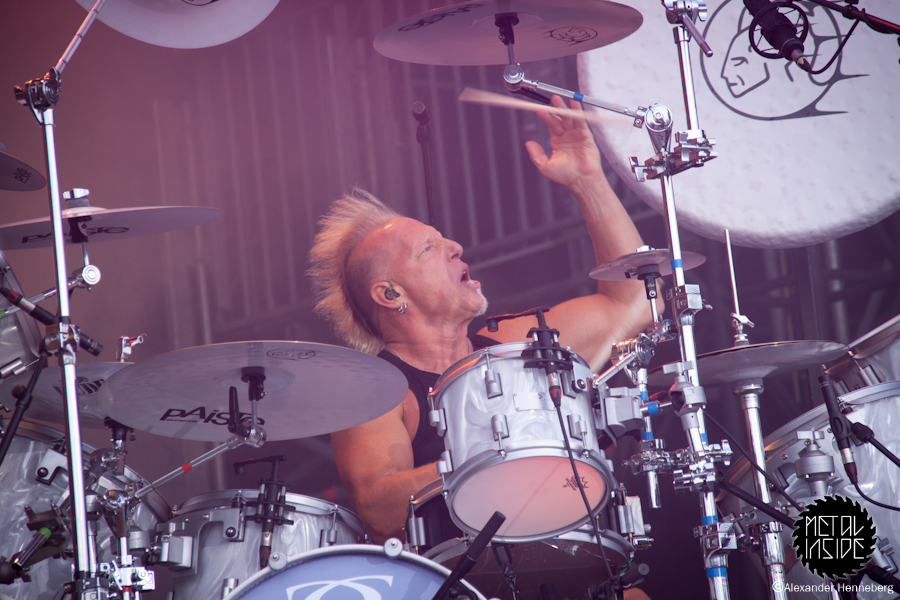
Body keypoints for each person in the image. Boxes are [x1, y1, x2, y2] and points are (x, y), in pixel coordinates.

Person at [309, 95, 654, 545]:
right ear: (391, 294)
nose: (455, 246)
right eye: (428, 248)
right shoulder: (373, 389)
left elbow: (635, 303)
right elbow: (381, 510)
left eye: (444, 240)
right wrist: (500, 456)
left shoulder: (511, 344)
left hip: (570, 556)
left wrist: (587, 181)